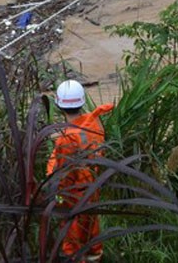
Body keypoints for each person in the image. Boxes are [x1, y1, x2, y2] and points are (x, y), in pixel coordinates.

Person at [46, 80, 115, 263]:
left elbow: (64, 173)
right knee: (91, 229)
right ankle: (95, 257)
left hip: (73, 194)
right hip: (92, 187)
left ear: (59, 106)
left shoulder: (67, 139)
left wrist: (57, 194)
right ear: (82, 102)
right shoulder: (94, 122)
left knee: (72, 237)